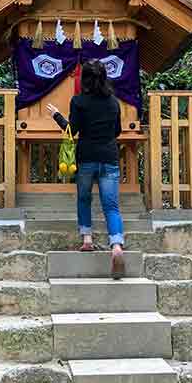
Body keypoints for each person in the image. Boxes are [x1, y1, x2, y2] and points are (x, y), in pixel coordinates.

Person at [47, 59, 126, 279]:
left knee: (84, 198)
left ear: (86, 79)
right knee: (111, 206)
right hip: (109, 157)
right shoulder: (113, 103)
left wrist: (56, 115)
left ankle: (87, 239)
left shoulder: (79, 101)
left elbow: (72, 130)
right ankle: (117, 244)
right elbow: (117, 131)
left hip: (86, 158)